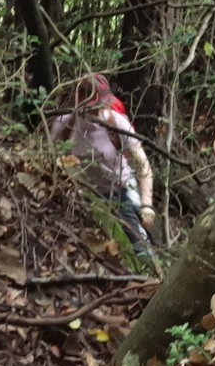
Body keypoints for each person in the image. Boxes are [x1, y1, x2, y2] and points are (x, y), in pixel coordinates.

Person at [48, 73, 156, 247]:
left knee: (140, 245)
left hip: (121, 191)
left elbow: (143, 165)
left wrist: (147, 205)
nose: (94, 111)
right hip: (83, 193)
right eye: (88, 106)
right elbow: (49, 155)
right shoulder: (65, 123)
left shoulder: (117, 123)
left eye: (97, 105)